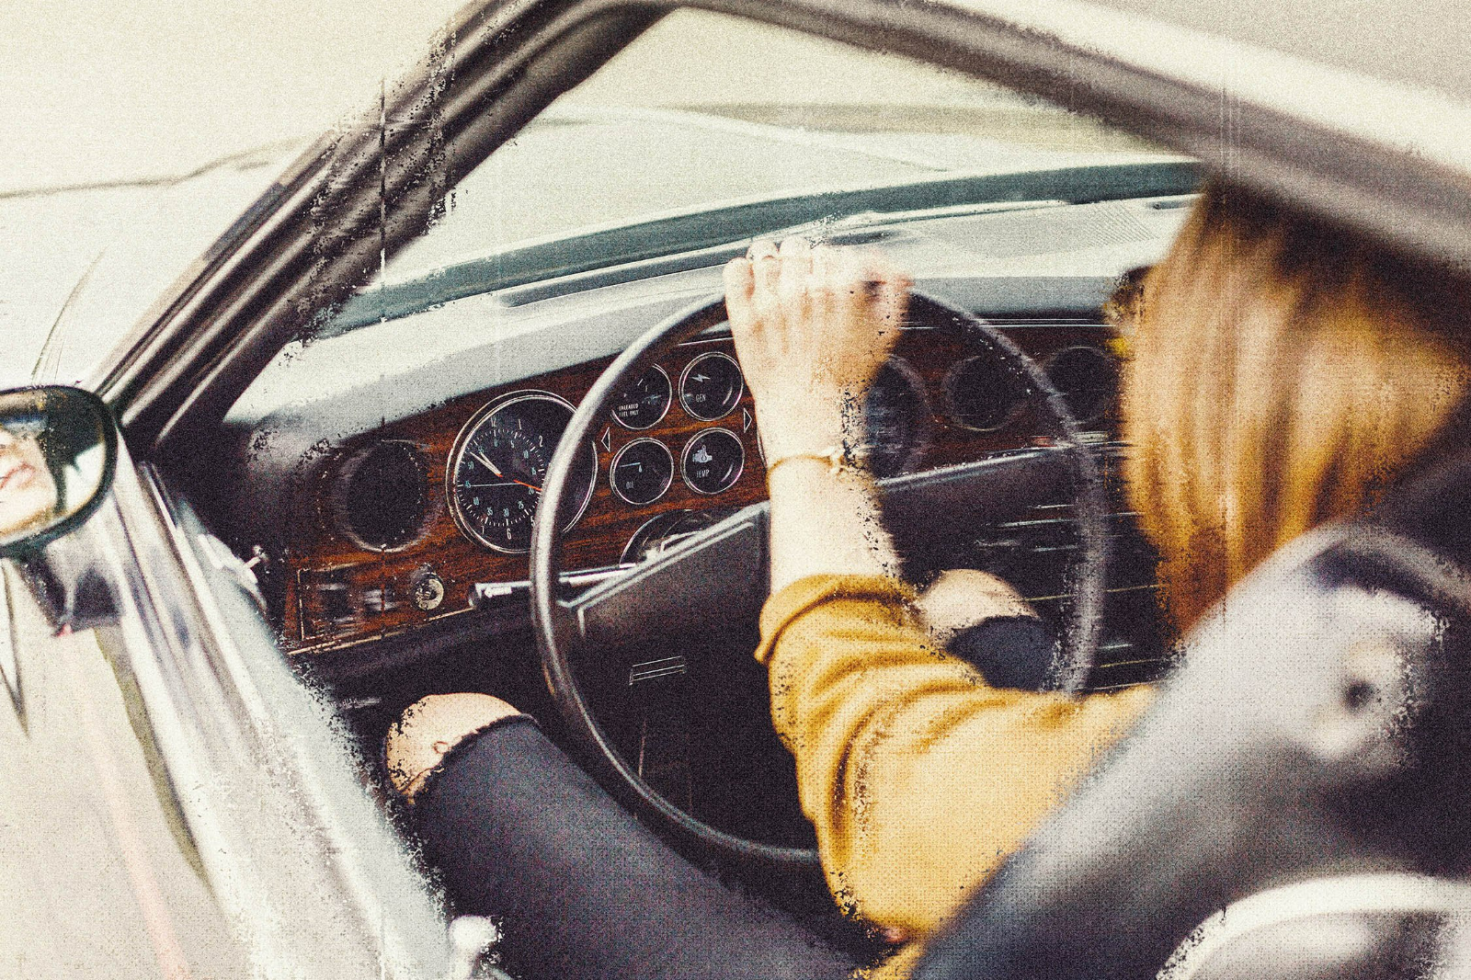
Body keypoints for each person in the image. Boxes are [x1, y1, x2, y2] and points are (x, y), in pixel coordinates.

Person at [384, 182, 1471, 979]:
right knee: (957, 599)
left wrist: (810, 425)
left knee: (444, 723)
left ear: (1248, 476)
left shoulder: (1285, 768)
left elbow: (878, 778)